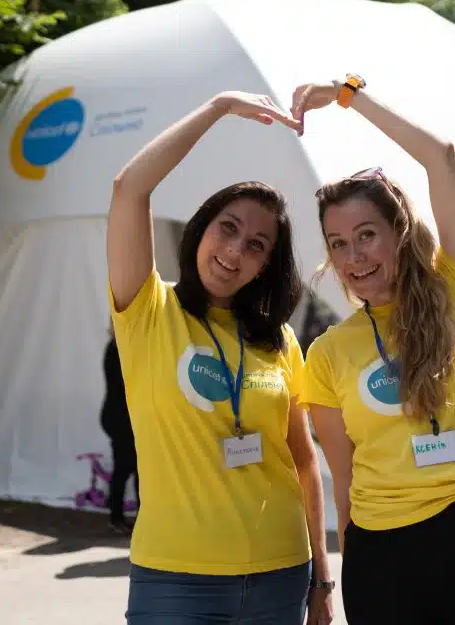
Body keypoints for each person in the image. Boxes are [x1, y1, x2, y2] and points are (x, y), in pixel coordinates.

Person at [294, 76, 455, 625]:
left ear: (399, 230)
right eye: (338, 243)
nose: (354, 256)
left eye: (366, 234)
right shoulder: (328, 352)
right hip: (385, 561)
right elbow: (346, 479)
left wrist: (351, 95)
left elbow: (440, 158)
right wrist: (340, 578)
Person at [107, 90, 334, 624]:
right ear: (201, 228)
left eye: (256, 245)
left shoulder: (277, 340)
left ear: (266, 267)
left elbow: (302, 461)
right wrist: (216, 109)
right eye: (227, 228)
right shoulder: (148, 309)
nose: (234, 251)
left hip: (280, 573)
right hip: (174, 579)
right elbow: (129, 188)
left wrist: (321, 577)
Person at [100, 330, 139, 534]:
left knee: (137, 469)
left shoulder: (118, 348)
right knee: (124, 468)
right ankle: (116, 517)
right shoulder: (117, 350)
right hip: (120, 419)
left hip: (126, 417)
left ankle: (136, 517)